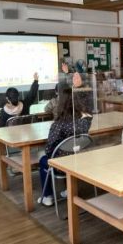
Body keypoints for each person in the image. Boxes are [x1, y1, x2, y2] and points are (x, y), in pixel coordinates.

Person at [38, 73, 93, 206]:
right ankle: (70, 190)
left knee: (43, 160)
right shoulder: (86, 121)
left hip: (62, 165)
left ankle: (47, 196)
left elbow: (49, 148)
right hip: (79, 160)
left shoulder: (58, 124)